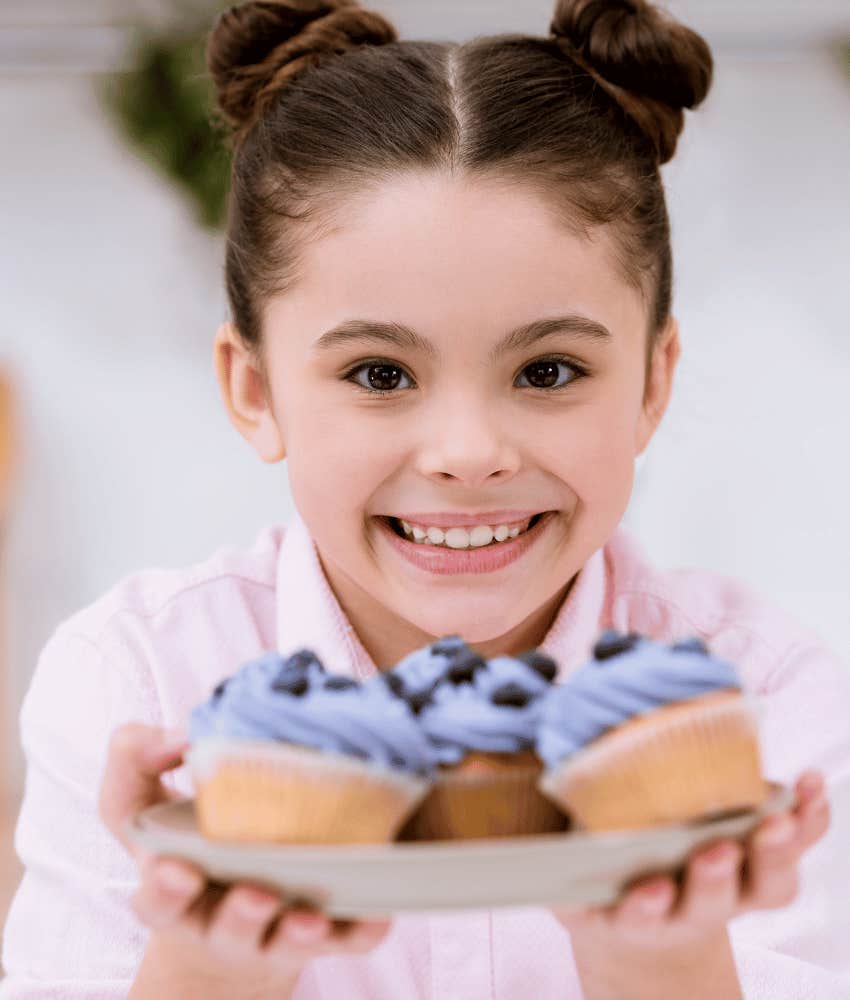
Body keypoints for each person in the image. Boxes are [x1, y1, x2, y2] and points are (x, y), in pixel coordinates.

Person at [2, 0, 849, 996]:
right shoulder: (137, 684)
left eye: (546, 372)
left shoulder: (762, 705)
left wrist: (657, 961)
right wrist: (206, 963)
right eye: (377, 374)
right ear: (255, 389)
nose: (466, 453)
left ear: (652, 384)